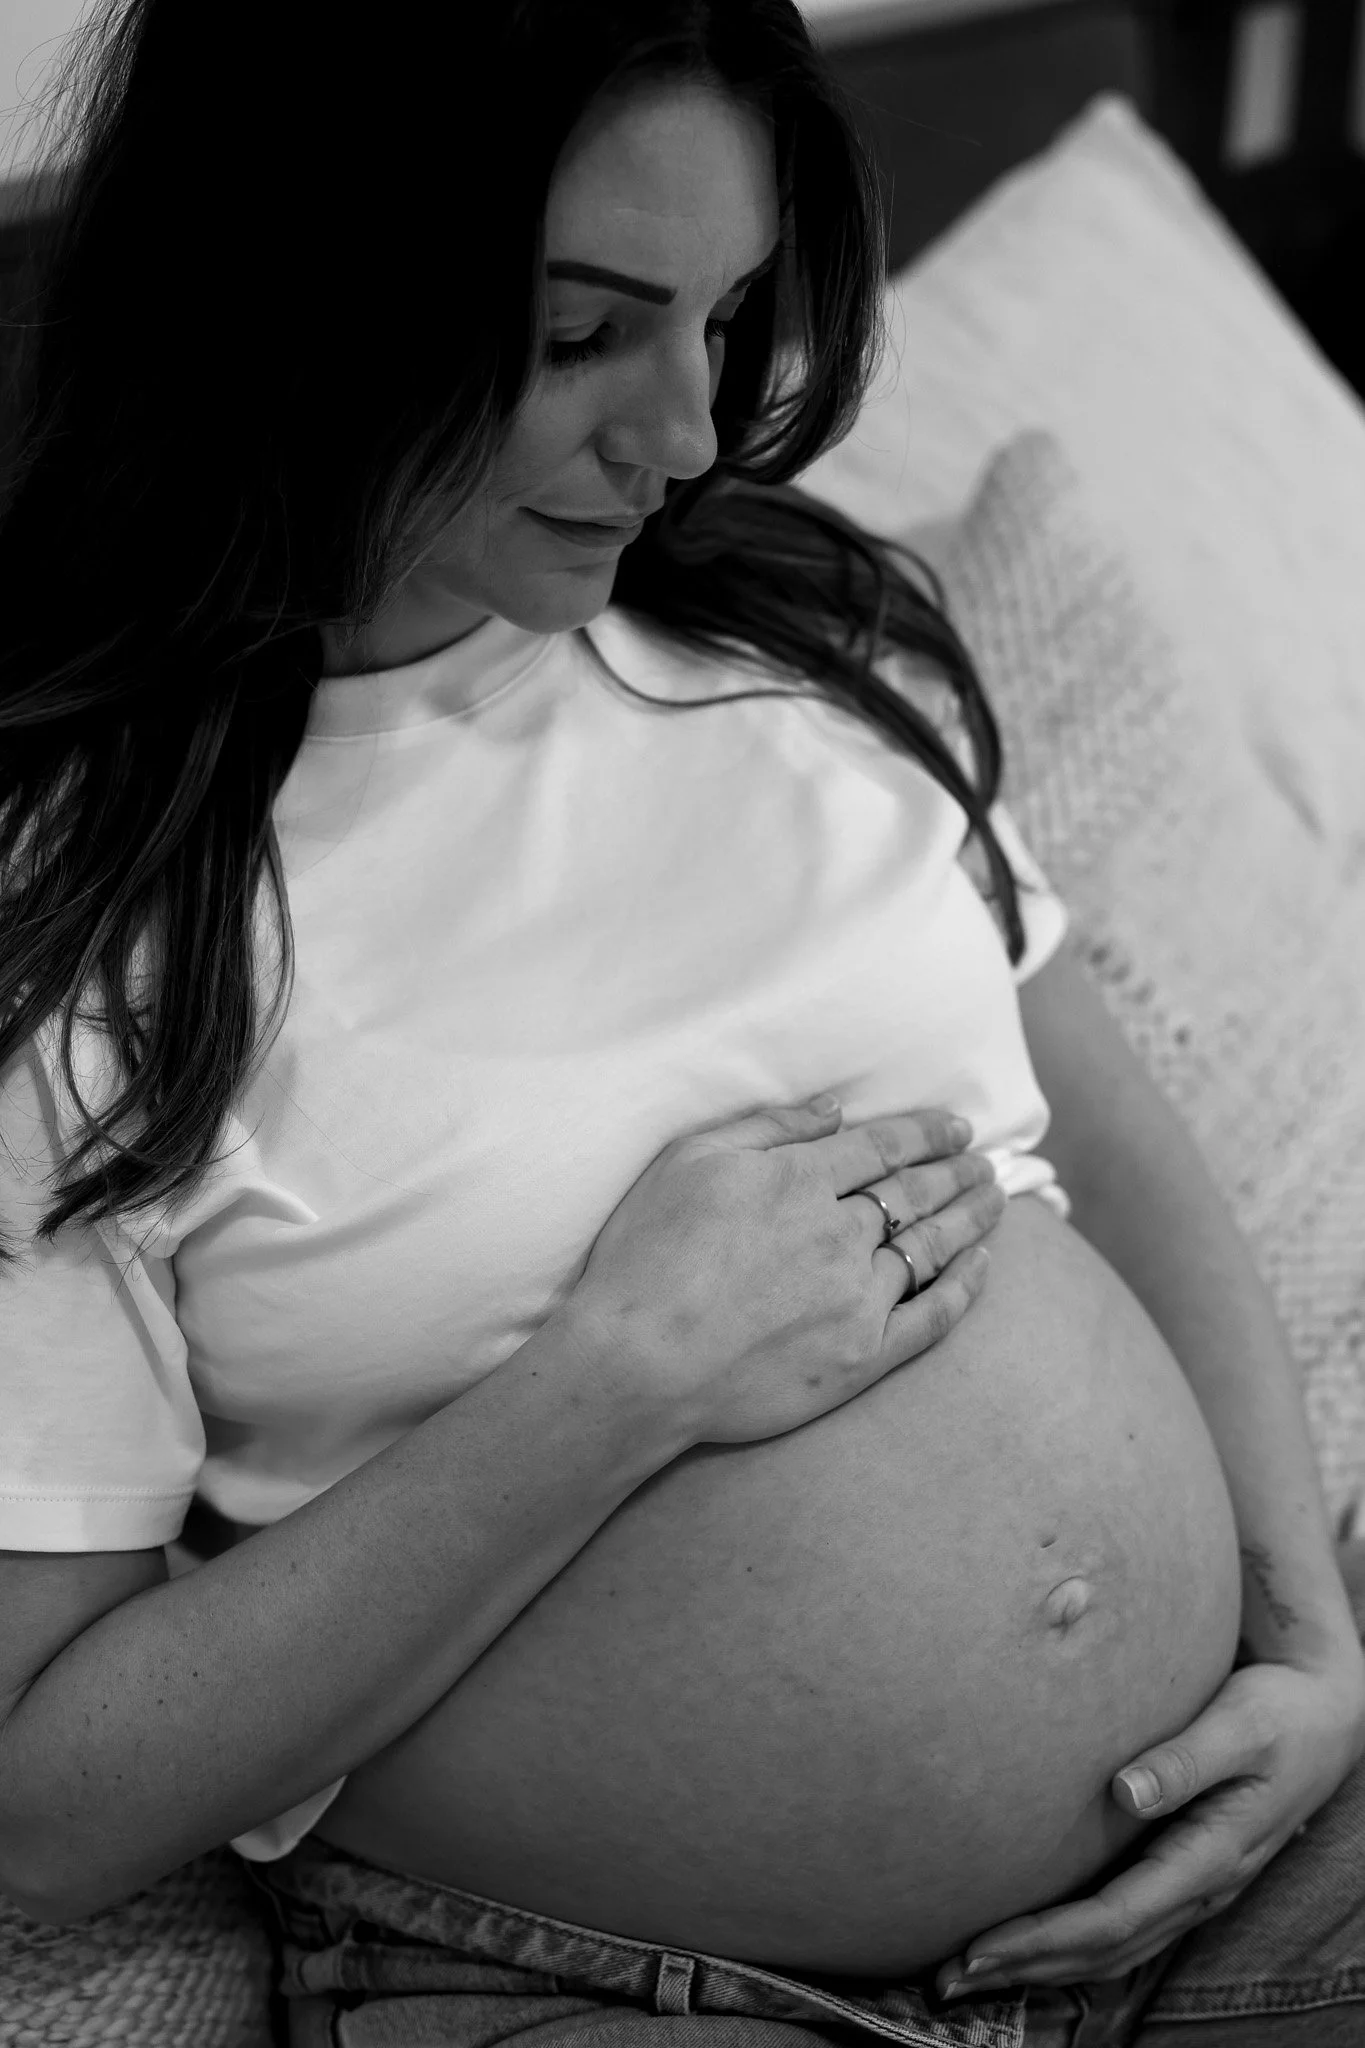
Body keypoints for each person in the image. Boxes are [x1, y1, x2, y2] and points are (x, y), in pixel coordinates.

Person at [2, 3, 1365, 2044]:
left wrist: (1304, 1632)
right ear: (296, 296)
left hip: (1250, 1849)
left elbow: (1113, 1120)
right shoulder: (90, 915)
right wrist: (621, 1376)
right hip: (611, 1983)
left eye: (724, 321)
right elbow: (48, 1805)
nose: (688, 433)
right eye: (579, 339)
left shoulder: (813, 636)